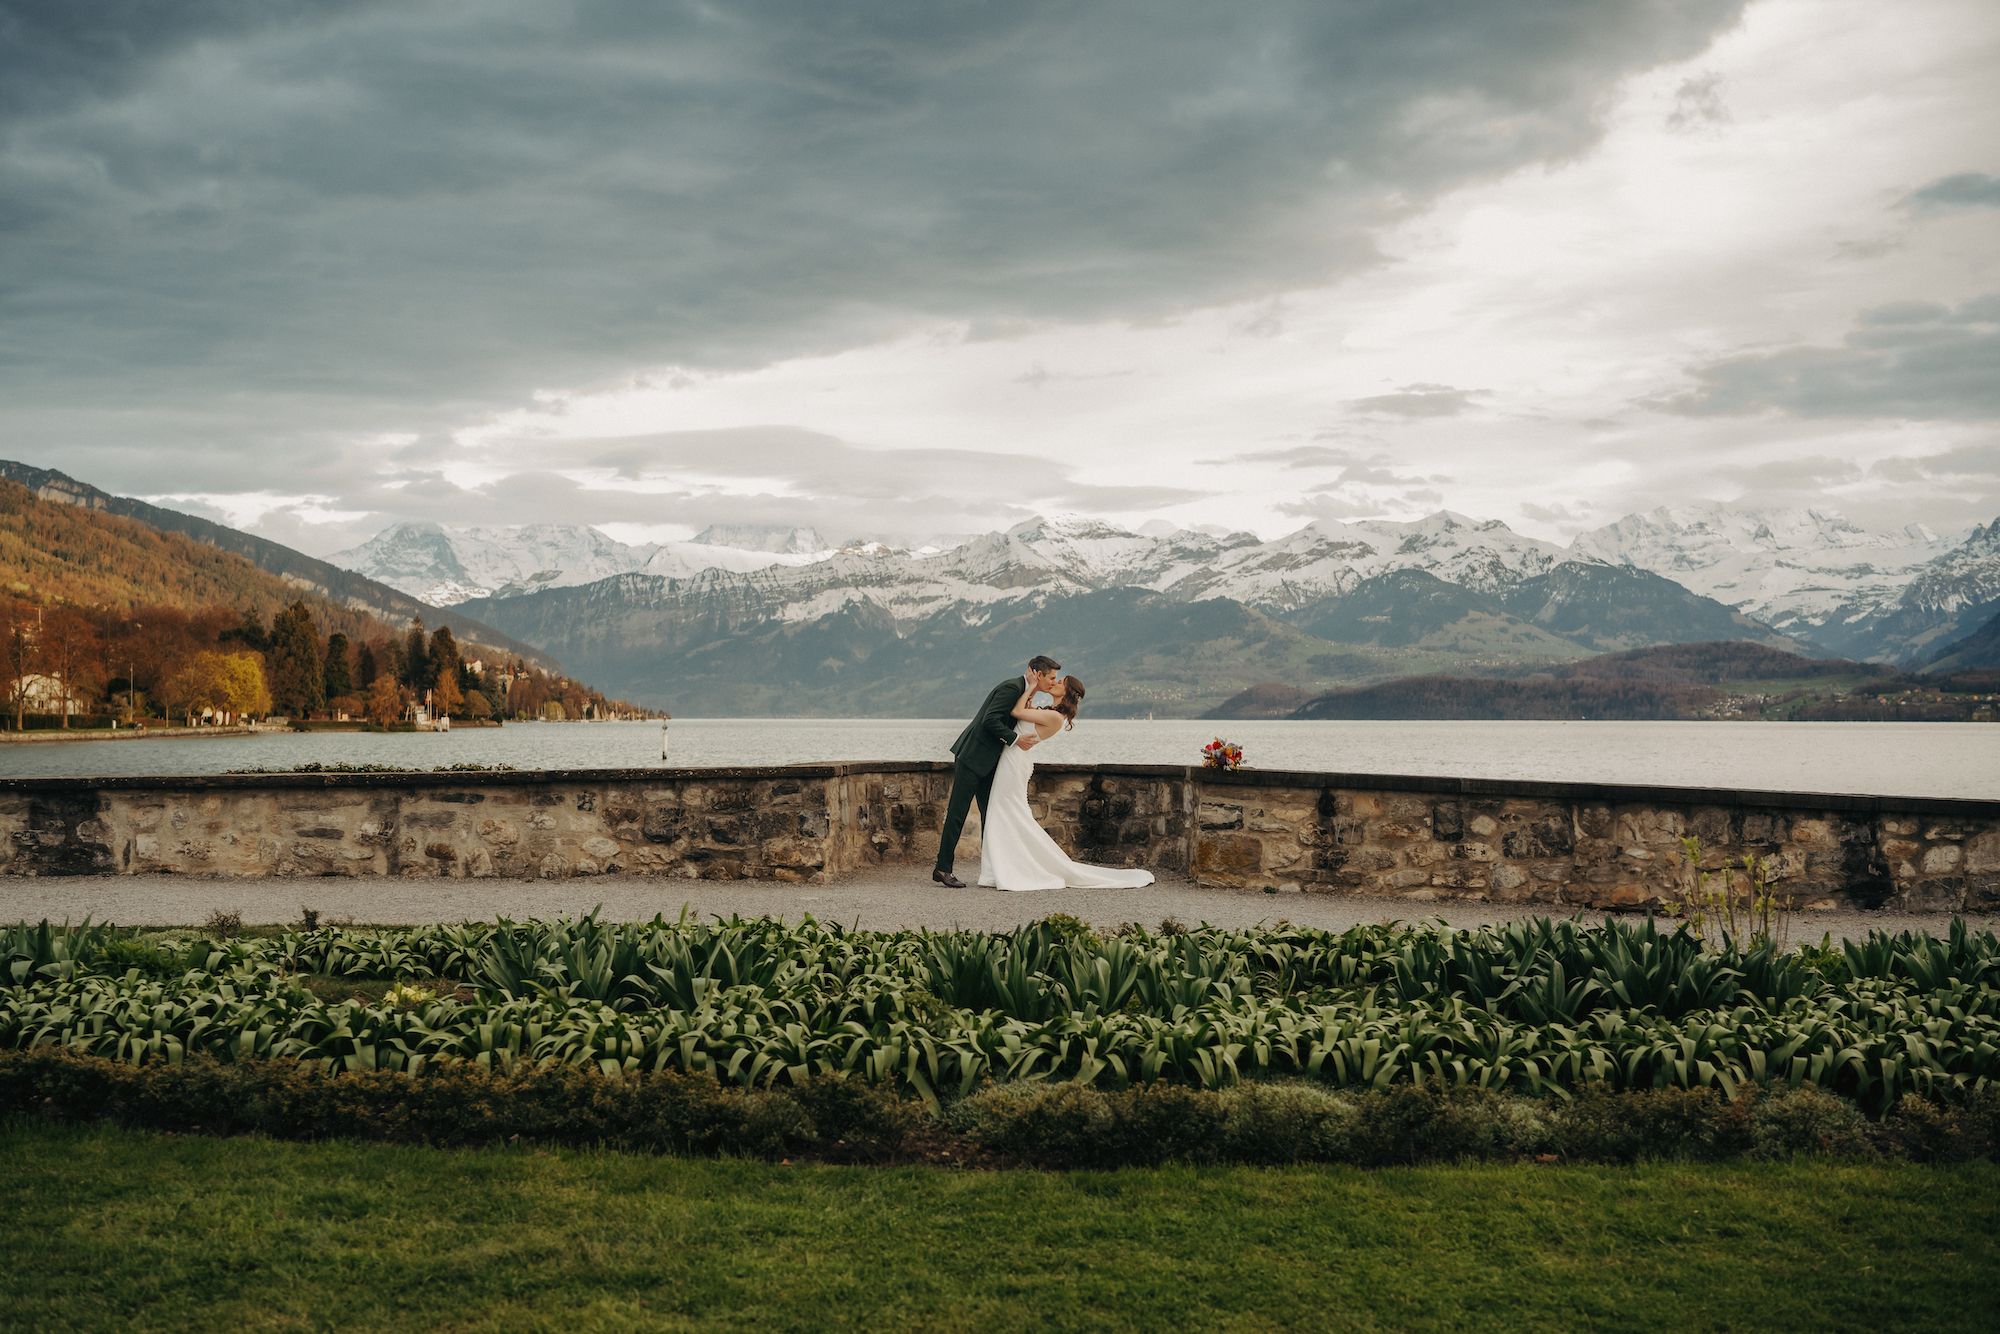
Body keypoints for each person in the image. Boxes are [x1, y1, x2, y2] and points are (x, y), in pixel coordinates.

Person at [977, 674, 1155, 892]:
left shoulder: (1054, 717)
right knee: (1005, 811)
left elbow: (1016, 712)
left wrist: (1032, 686)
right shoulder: (1050, 712)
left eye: (1060, 682)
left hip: (1015, 762)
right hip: (1013, 758)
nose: (1055, 682)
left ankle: (1013, 867)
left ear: (1067, 692)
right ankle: (997, 868)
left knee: (1006, 811)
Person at [932, 655, 1062, 887]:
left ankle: (994, 870)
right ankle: (943, 869)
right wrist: (1015, 739)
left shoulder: (1024, 691)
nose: (1053, 682)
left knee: (991, 814)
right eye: (1051, 677)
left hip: (991, 761)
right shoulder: (1012, 688)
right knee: (957, 812)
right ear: (1038, 674)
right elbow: (989, 720)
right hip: (973, 756)